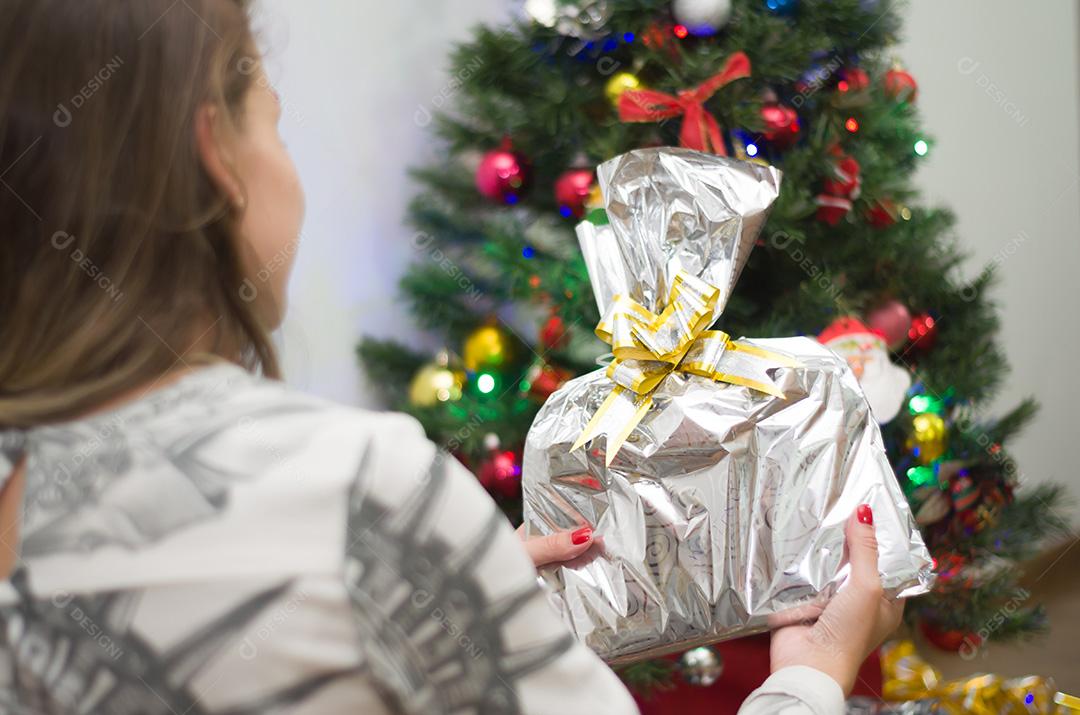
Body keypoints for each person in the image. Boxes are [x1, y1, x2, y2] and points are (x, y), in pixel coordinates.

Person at [0, 0, 902, 712]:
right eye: (268, 122)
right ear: (217, 157)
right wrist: (813, 675)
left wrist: (443, 588)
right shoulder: (357, 483)